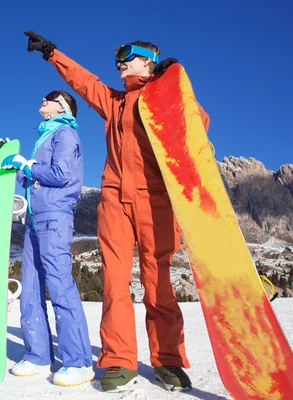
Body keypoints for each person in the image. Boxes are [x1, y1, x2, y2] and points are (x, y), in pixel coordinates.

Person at [23, 30, 210, 392]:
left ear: (149, 61)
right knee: (114, 284)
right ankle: (118, 358)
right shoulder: (115, 102)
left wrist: (175, 83)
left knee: (159, 286)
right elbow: (84, 81)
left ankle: (168, 360)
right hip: (115, 201)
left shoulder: (165, 97)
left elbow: (199, 125)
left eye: (127, 56)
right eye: (117, 59)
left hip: (157, 201)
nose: (119, 63)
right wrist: (52, 53)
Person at [0, 89, 93, 386]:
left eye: (51, 96)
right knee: (31, 289)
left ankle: (79, 361)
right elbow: (34, 179)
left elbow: (61, 174)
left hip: (55, 216)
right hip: (35, 220)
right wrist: (14, 163)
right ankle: (38, 355)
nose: (43, 99)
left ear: (63, 107)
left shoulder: (65, 134)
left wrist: (27, 165)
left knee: (59, 285)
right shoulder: (44, 138)